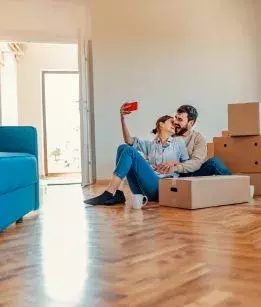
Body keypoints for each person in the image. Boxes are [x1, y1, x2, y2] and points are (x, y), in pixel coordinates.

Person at [84, 103, 189, 206]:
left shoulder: (179, 142)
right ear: (161, 124)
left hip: (161, 188)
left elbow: (187, 166)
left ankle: (109, 193)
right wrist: (122, 119)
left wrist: (173, 163)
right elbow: (128, 140)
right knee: (123, 147)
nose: (174, 124)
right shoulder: (149, 145)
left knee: (129, 150)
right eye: (171, 121)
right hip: (143, 189)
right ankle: (118, 194)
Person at [155, 105, 232, 176]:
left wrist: (175, 167)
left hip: (190, 174)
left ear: (190, 123)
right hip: (168, 174)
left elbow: (196, 162)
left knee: (215, 162)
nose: (175, 122)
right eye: (175, 118)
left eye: (180, 120)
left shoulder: (198, 138)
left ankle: (235, 185)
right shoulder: (168, 133)